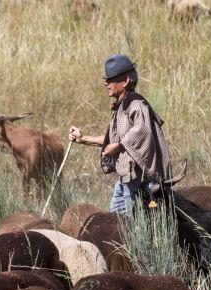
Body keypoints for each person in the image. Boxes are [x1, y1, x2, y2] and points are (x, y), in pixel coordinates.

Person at [69, 54, 172, 214]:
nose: (106, 83)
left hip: (140, 182)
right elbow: (112, 141)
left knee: (134, 222)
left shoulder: (136, 105)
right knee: (116, 220)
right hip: (125, 179)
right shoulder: (121, 107)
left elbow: (142, 132)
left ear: (125, 81)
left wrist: (119, 146)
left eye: (111, 79)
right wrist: (82, 139)